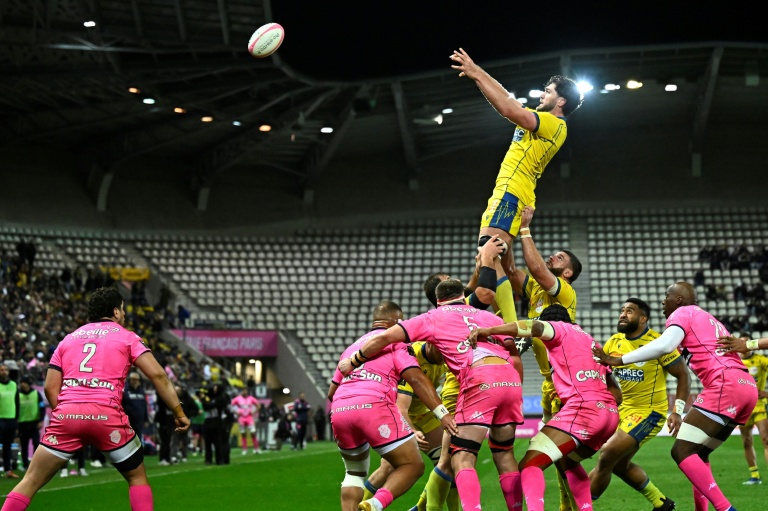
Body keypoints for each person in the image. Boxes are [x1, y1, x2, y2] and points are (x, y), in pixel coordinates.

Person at [338, 280, 524, 511]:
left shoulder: (431, 320)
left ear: (438, 301)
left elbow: (385, 337)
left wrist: (354, 360)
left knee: (456, 458)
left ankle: (387, 505)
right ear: (462, 295)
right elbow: (514, 354)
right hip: (505, 381)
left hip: (465, 388)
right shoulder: (490, 319)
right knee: (500, 455)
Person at [1, 286, 190, 511]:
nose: (125, 315)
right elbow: (158, 374)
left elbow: (52, 388)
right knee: (137, 478)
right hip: (106, 415)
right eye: (123, 310)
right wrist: (179, 413)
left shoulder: (67, 340)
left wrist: (70, 420)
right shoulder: (127, 337)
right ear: (116, 312)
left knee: (30, 481)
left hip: (67, 415)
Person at [594, 281, 758, 511]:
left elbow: (664, 345)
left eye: (666, 296)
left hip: (724, 384)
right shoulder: (709, 319)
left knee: (681, 451)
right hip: (746, 386)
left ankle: (726, 509)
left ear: (679, 300)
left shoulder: (682, 313)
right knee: (699, 454)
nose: (663, 302)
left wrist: (618, 360)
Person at [469, 303, 621, 511]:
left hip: (585, 409)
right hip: (610, 415)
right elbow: (617, 395)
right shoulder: (591, 341)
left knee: (530, 465)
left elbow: (536, 327)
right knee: (567, 461)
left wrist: (489, 330)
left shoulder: (559, 329)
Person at [449, 48, 582, 253]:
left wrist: (476, 74)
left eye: (548, 92)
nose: (541, 94)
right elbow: (508, 100)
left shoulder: (554, 124)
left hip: (511, 191)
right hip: (515, 192)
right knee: (496, 262)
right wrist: (478, 72)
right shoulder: (542, 119)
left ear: (561, 101)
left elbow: (508, 109)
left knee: (488, 256)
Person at [330, 300, 458, 511]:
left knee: (354, 474)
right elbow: (416, 379)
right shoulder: (398, 344)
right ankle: (374, 504)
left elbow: (331, 392)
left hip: (340, 409)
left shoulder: (351, 348)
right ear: (398, 322)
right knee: (412, 465)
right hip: (375, 405)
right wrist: (443, 414)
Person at [505, 205, 582, 510]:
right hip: (550, 383)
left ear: (567, 273)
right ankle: (567, 505)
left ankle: (573, 504)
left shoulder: (563, 292)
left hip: (568, 384)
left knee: (561, 452)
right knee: (557, 453)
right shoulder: (537, 290)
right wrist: (506, 236)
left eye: (559, 258)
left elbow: (537, 268)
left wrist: (525, 228)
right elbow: (512, 271)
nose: (552, 257)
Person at [588, 298, 691, 510]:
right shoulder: (614, 342)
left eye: (630, 311)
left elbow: (683, 375)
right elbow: (605, 375)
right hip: (622, 412)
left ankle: (581, 505)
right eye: (622, 310)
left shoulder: (659, 343)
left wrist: (677, 412)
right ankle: (661, 503)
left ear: (643, 318)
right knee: (618, 465)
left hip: (649, 413)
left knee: (607, 455)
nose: (623, 314)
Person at [362, 342, 450, 510]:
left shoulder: (445, 357)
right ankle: (359, 506)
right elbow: (401, 407)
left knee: (447, 462)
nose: (444, 356)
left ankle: (420, 507)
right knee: (388, 467)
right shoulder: (411, 358)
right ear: (430, 344)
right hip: (397, 412)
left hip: (423, 412)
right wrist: (412, 432)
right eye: (442, 351)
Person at [735, 345, 768, 485]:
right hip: (743, 407)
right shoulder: (734, 361)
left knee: (766, 439)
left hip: (760, 405)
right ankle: (754, 475)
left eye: (746, 343)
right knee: (746, 441)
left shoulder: (761, 360)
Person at [16, 376, 45, 472]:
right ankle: (25, 464)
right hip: (22, 423)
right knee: (24, 446)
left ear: (28, 383)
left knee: (36, 443)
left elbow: (42, 407)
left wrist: (41, 420)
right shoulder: (18, 395)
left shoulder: (36, 394)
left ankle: (36, 464)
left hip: (34, 423)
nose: (22, 384)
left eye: (24, 382)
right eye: (21, 382)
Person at [0, 364, 20, 479]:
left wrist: (16, 419)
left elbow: (17, 403)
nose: (4, 372)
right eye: (2, 370)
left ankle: (8, 470)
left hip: (11, 419)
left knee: (7, 446)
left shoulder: (13, 385)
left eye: (5, 370)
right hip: (0, 419)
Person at [232, 387, 262, 454]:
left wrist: (254, 411)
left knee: (253, 433)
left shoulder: (251, 398)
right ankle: (244, 449)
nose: (244, 392)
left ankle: (256, 448)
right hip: (241, 418)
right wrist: (236, 412)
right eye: (243, 391)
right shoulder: (237, 399)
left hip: (249, 418)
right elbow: (231, 406)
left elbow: (258, 405)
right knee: (243, 434)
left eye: (245, 391)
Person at [122, 372, 148, 447]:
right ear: (130, 380)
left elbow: (144, 406)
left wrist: (146, 419)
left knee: (138, 439)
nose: (135, 381)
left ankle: (137, 457)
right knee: (127, 439)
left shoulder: (141, 391)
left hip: (139, 421)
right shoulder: (125, 391)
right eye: (133, 379)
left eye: (137, 379)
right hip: (128, 421)